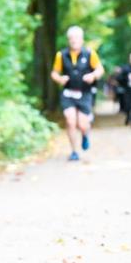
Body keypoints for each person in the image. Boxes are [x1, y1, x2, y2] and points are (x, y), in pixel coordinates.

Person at [51, 26, 104, 161]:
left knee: (82, 124)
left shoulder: (89, 54)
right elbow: (54, 73)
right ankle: (74, 151)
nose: (74, 41)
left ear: (82, 39)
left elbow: (100, 69)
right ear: (68, 40)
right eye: (71, 38)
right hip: (68, 93)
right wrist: (60, 79)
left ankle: (85, 134)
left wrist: (93, 75)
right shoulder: (61, 55)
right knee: (70, 120)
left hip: (84, 93)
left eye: (77, 38)